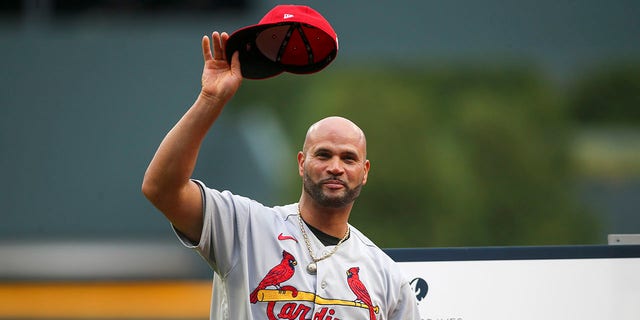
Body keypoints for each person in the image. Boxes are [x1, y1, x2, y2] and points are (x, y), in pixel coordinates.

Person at [142, 31, 420, 320]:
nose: (336, 167)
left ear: (364, 172)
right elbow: (161, 189)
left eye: (348, 158)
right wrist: (210, 99)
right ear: (301, 163)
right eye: (323, 154)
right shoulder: (245, 227)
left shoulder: (386, 276)